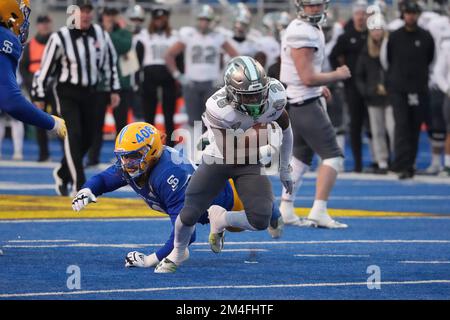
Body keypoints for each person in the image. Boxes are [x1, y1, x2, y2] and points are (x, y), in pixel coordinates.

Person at [72, 122, 283, 267]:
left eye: (133, 156)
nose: (127, 163)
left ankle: (275, 212)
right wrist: (87, 189)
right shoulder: (135, 166)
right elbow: (103, 179)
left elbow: (186, 234)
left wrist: (150, 260)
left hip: (230, 198)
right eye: (124, 157)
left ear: (151, 151)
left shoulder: (169, 175)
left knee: (254, 218)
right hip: (204, 199)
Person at [154, 56, 293, 273]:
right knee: (189, 212)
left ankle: (220, 219)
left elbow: (285, 128)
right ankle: (178, 252)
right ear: (231, 93)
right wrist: (262, 142)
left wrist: (284, 167)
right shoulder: (218, 107)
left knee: (260, 218)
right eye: (249, 96)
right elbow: (230, 151)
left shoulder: (275, 95)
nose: (256, 100)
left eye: (259, 93)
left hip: (248, 160)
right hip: (219, 157)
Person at [32, 0, 121, 196]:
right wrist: (38, 94)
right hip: (66, 93)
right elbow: (44, 69)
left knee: (89, 138)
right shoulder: (60, 37)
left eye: (89, 11)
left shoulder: (100, 34)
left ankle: (63, 172)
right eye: (82, 11)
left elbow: (110, 63)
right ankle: (80, 185)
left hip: (91, 92)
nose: (86, 15)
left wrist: (114, 89)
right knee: (74, 135)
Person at [278, 0, 350, 229]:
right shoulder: (302, 32)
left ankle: (286, 209)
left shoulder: (306, 28)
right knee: (333, 156)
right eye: (310, 5)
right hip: (304, 103)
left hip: (298, 99)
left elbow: (303, 76)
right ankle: (319, 210)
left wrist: (319, 86)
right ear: (300, 6)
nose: (315, 9)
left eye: (318, 4)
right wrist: (336, 75)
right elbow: (307, 77)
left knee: (300, 158)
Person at [164, 4, 238, 135]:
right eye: (202, 19)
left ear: (211, 21)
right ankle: (194, 151)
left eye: (207, 20)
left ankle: (209, 150)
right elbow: (169, 55)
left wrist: (223, 75)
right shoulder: (189, 34)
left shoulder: (218, 36)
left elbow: (236, 57)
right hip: (191, 82)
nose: (204, 23)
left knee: (212, 119)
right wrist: (177, 75)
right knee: (194, 121)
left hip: (211, 83)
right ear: (197, 20)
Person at [382, 0, 435, 179]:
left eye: (413, 13)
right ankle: (402, 164)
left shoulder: (426, 36)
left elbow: (430, 59)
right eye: (407, 13)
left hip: (419, 89)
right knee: (402, 126)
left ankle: (410, 163)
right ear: (403, 14)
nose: (410, 16)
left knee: (414, 127)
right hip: (399, 89)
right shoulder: (395, 36)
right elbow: (387, 59)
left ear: (418, 15)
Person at [0, 0, 66, 140]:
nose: (23, 21)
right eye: (22, 14)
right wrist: (52, 122)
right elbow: (11, 102)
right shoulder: (4, 37)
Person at [87, 7, 133, 167]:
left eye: (113, 14)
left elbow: (124, 46)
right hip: (100, 85)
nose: (110, 17)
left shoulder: (123, 33)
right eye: (108, 14)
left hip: (121, 84)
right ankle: (93, 157)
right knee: (96, 124)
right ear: (102, 16)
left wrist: (106, 33)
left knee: (121, 126)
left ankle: (124, 158)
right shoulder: (94, 32)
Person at [329, 0, 369, 173]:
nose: (361, 17)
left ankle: (380, 162)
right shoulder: (346, 36)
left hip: (373, 86)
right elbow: (333, 56)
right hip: (353, 86)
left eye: (363, 14)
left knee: (377, 125)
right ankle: (358, 164)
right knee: (355, 125)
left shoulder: (372, 34)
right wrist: (341, 75)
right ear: (354, 16)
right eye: (358, 14)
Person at [134, 6, 179, 147]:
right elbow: (138, 59)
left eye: (162, 18)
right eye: (157, 19)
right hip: (149, 75)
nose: (159, 21)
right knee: (149, 114)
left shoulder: (174, 36)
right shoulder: (143, 35)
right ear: (152, 20)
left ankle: (171, 145)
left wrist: (179, 77)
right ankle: (148, 144)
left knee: (169, 113)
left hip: (168, 76)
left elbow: (179, 58)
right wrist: (136, 81)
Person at [356, 18, 394, 174]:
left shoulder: (391, 48)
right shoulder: (365, 51)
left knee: (393, 129)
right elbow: (359, 75)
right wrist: (367, 91)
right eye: (374, 29)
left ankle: (398, 159)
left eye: (379, 29)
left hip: (391, 96)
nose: (377, 32)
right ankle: (382, 161)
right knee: (377, 131)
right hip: (373, 98)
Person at [19, 15, 54, 162]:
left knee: (62, 118)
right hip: (36, 88)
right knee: (40, 121)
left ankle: (68, 152)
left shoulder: (56, 41)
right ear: (38, 26)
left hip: (54, 86)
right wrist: (30, 84)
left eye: (46, 23)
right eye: (41, 23)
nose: (44, 26)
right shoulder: (31, 44)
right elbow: (23, 67)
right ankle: (43, 154)